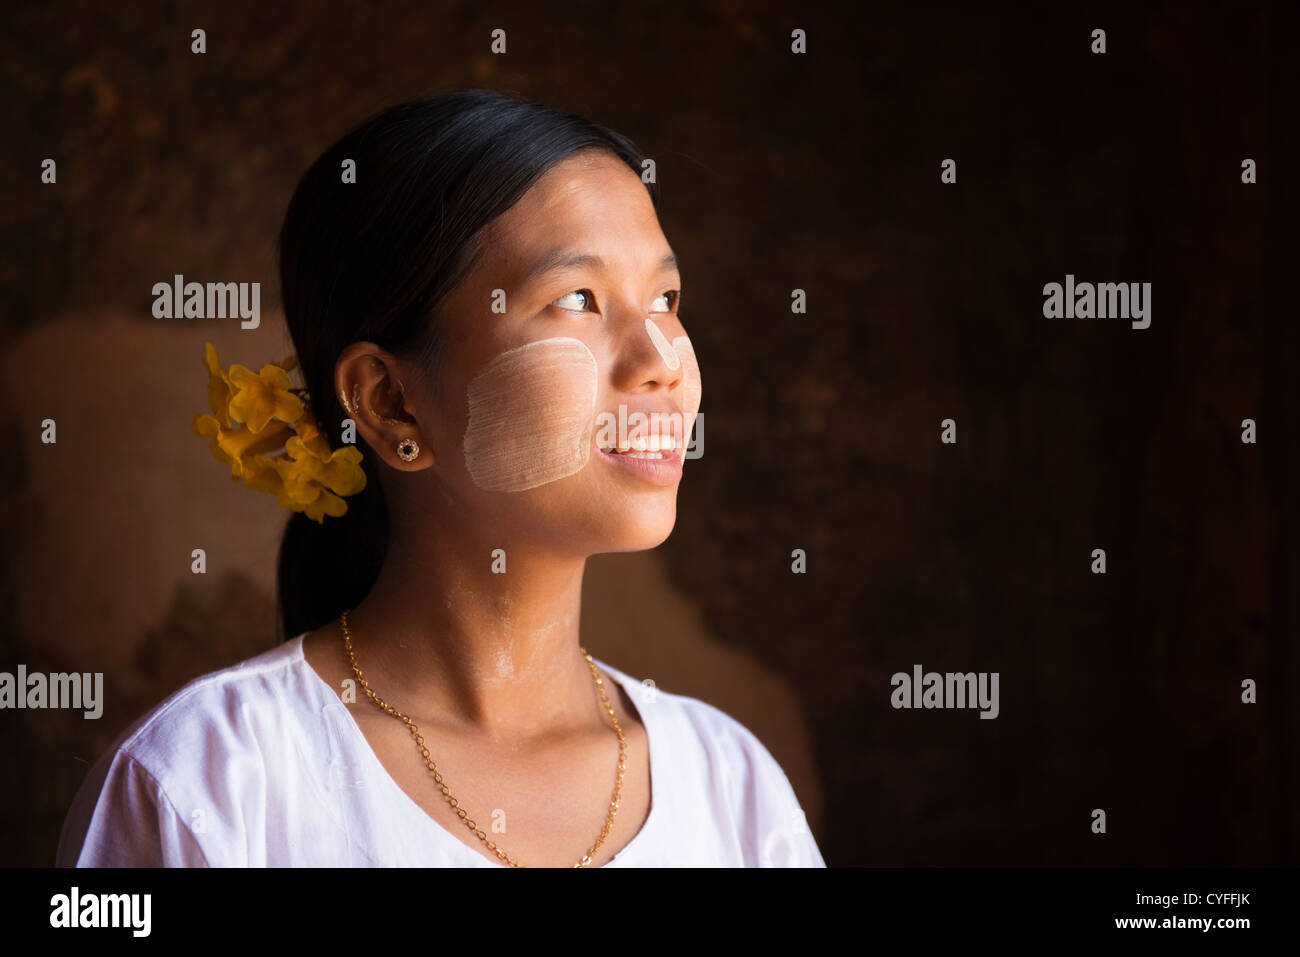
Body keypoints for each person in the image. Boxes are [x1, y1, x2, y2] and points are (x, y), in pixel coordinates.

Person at [57, 89, 826, 867]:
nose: (663, 360)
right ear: (392, 405)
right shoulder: (207, 785)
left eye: (666, 299)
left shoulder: (732, 788)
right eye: (577, 299)